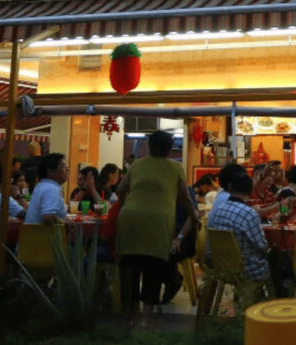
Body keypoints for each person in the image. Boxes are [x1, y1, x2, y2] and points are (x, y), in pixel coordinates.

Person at [116, 130, 197, 325]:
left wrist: (128, 206)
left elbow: (120, 190)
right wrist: (193, 215)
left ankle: (130, 316)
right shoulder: (174, 168)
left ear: (149, 146)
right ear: (170, 149)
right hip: (159, 221)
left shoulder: (137, 164)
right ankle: (146, 318)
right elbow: (185, 197)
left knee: (131, 266)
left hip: (130, 218)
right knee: (153, 267)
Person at [205, 170, 270, 282]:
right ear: (250, 191)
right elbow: (262, 245)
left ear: (230, 187)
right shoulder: (248, 213)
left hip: (222, 267)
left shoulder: (218, 210)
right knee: (281, 264)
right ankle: (278, 298)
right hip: (249, 270)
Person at [25, 152, 69, 224]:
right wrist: (63, 223)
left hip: (33, 234)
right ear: (51, 172)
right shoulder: (51, 188)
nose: (67, 169)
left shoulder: (42, 185)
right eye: (63, 166)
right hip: (43, 235)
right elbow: (48, 217)